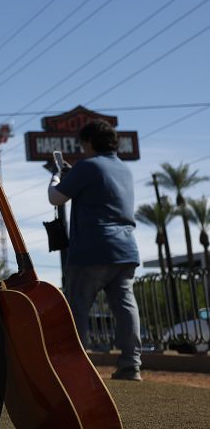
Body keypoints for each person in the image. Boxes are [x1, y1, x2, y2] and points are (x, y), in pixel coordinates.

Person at [48, 119, 142, 381]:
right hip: (125, 249)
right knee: (125, 306)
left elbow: (56, 197)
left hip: (92, 248)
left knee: (78, 308)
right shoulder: (125, 169)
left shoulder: (87, 166)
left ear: (88, 142)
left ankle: (77, 365)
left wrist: (57, 176)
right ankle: (131, 364)